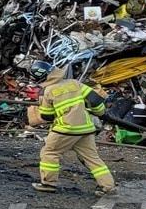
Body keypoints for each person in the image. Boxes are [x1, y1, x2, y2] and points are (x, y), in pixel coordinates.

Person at [27, 61, 116, 196]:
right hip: (86, 128)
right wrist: (101, 113)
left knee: (50, 152)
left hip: (66, 130)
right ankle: (108, 187)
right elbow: (96, 101)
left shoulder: (47, 91)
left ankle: (48, 183)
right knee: (92, 158)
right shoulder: (75, 83)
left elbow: (47, 116)